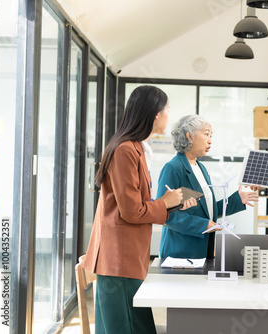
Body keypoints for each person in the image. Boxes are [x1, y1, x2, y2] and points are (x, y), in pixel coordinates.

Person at [83, 85, 197, 334]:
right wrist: (165, 202)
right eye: (167, 109)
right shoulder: (125, 150)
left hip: (127, 257)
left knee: (132, 325)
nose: (169, 115)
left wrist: (172, 203)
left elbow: (137, 205)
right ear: (155, 113)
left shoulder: (135, 149)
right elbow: (131, 211)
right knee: (129, 327)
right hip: (119, 260)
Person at [157, 114, 258, 259]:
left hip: (204, 250)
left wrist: (237, 199)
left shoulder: (201, 168)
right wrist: (203, 225)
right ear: (189, 136)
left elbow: (208, 211)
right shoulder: (173, 168)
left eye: (211, 135)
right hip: (180, 252)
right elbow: (165, 215)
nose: (210, 140)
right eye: (206, 134)